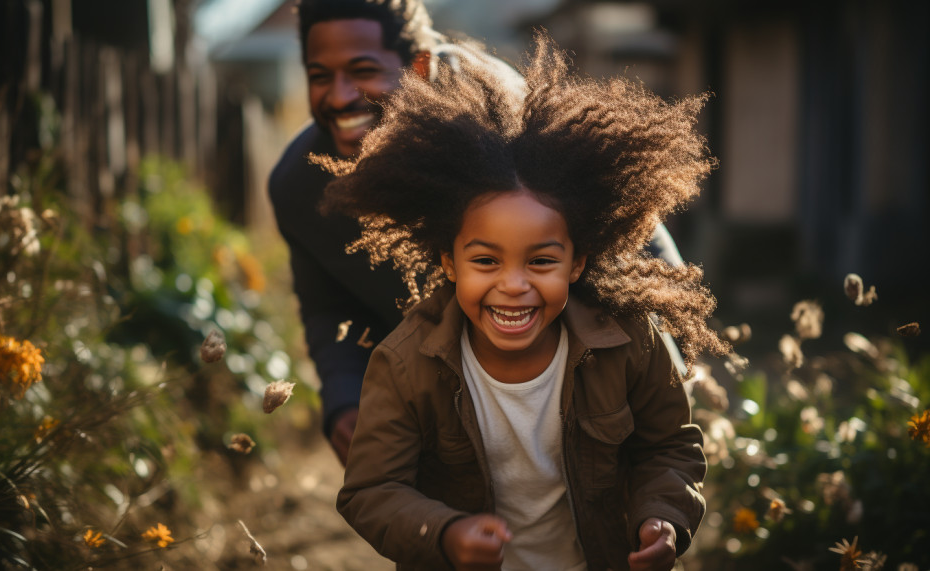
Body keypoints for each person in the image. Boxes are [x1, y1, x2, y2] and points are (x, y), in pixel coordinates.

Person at [318, 32, 731, 570]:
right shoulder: (404, 365)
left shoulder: (628, 340)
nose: (514, 285)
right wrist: (444, 534)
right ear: (449, 261)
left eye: (540, 261)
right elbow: (371, 492)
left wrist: (663, 516)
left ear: (577, 262)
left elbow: (670, 447)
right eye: (486, 261)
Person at [268, 0, 686, 466]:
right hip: (447, 410)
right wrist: (344, 401)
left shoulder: (498, 124)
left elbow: (626, 240)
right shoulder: (298, 187)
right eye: (319, 75)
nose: (340, 95)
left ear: (419, 65)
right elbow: (330, 309)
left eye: (363, 70)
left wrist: (664, 362)